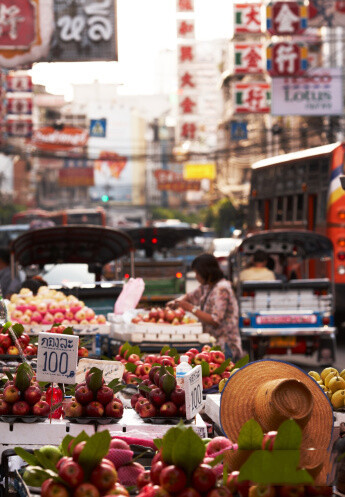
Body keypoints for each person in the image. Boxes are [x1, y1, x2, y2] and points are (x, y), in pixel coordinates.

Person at [168, 253, 243, 362]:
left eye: (197, 273)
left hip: (225, 347)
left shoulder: (222, 289)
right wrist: (176, 302)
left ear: (206, 272)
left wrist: (190, 308)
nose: (196, 276)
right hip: (212, 346)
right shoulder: (208, 286)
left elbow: (215, 320)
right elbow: (191, 296)